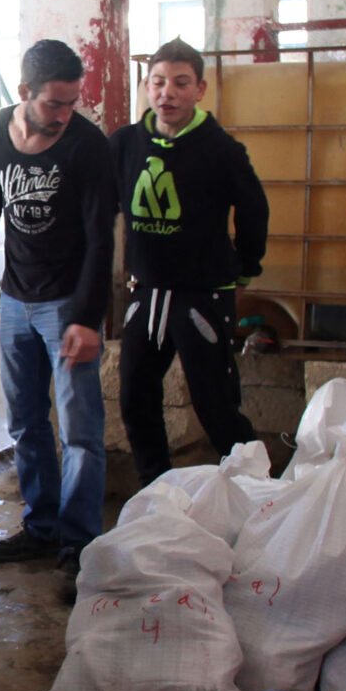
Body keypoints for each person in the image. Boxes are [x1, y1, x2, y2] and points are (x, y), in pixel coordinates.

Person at [0, 40, 116, 575]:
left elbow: (101, 239)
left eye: (72, 104)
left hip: (67, 305)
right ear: (25, 92)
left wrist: (85, 317)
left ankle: (78, 545)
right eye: (54, 104)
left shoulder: (88, 145)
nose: (63, 116)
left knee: (79, 432)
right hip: (16, 300)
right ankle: (41, 528)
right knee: (26, 423)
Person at [111, 38, 270, 485]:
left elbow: (254, 210)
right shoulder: (124, 144)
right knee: (135, 396)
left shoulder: (221, 150)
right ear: (146, 87)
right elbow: (103, 207)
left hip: (202, 294)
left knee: (214, 402)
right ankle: (156, 490)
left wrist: (246, 267)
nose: (168, 93)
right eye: (159, 82)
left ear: (200, 89)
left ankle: (256, 490)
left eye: (181, 84)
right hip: (147, 293)